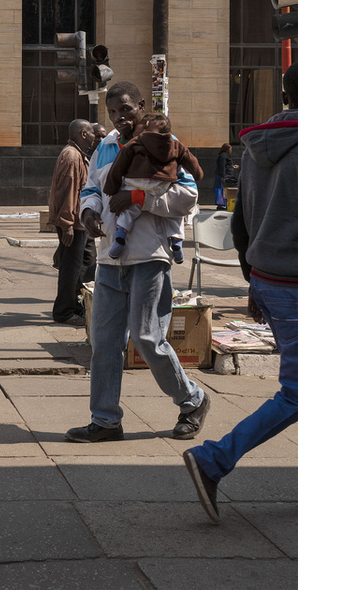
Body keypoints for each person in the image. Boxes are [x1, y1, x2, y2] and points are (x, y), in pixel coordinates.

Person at [183, 64, 297, 523]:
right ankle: (213, 459)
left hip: (270, 278)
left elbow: (241, 218)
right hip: (297, 282)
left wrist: (253, 278)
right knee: (301, 393)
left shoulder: (257, 143)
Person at [67, 81, 209, 443]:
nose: (120, 118)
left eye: (127, 110)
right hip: (110, 261)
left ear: (142, 106)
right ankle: (105, 420)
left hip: (150, 256)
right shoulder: (104, 147)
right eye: (113, 112)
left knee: (148, 338)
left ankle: (192, 400)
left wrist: (138, 198)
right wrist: (88, 213)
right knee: (104, 342)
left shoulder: (164, 141)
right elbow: (92, 190)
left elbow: (188, 195)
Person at [102, 113, 203, 263]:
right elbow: (193, 164)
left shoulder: (136, 142)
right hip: (162, 184)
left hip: (136, 182)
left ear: (147, 124)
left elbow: (118, 166)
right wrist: (198, 174)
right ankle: (176, 241)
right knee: (174, 214)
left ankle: (120, 237)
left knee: (129, 210)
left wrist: (111, 188)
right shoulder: (176, 144)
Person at [47, 119, 97, 327]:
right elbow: (68, 191)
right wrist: (67, 223)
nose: (95, 136)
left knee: (84, 263)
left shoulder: (77, 154)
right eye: (92, 132)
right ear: (83, 134)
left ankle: (77, 304)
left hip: (78, 222)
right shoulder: (71, 156)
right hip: (72, 222)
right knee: (70, 268)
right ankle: (64, 311)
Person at [213, 143, 237, 210]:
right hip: (223, 175)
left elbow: (226, 165)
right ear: (227, 149)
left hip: (225, 174)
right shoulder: (223, 156)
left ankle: (223, 204)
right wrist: (222, 176)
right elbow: (222, 166)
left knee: (223, 190)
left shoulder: (225, 156)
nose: (231, 150)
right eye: (230, 149)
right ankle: (221, 204)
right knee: (221, 190)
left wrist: (232, 166)